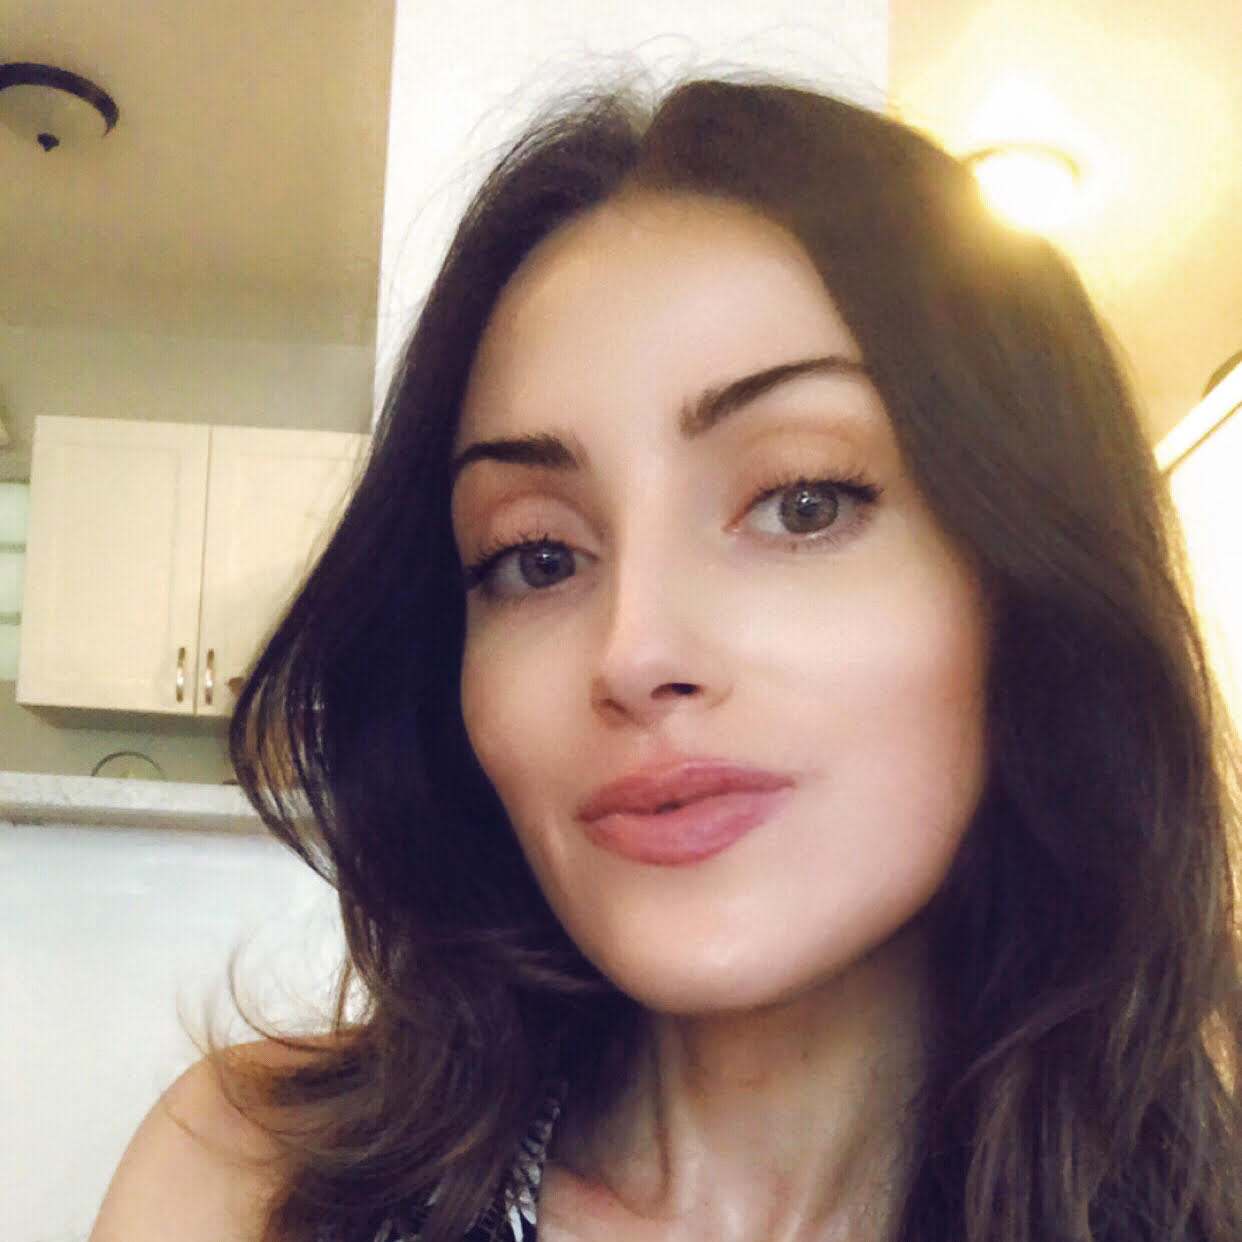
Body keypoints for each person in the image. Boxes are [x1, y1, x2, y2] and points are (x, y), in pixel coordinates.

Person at [90, 76, 1241, 1242]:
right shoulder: (242, 1181)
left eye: (801, 502)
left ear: (1025, 581)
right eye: (537, 558)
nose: (635, 652)